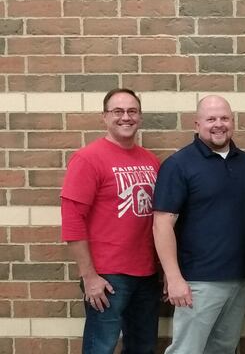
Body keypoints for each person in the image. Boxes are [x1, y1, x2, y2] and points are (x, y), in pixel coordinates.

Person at [152, 95, 245, 354]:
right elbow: (161, 224)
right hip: (197, 282)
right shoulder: (178, 165)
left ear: (233, 122)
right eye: (211, 119)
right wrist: (174, 278)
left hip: (239, 279)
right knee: (187, 350)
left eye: (224, 118)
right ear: (196, 124)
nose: (219, 124)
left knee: (224, 349)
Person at [61, 88, 160, 354]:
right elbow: (72, 221)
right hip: (107, 276)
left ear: (140, 117)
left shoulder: (150, 161)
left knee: (143, 347)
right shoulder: (87, 158)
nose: (125, 117)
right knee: (100, 347)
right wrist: (89, 276)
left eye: (132, 111)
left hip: (147, 273)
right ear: (104, 117)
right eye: (118, 111)